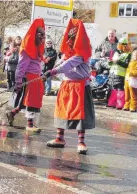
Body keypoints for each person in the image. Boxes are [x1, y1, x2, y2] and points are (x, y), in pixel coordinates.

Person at [43, 19, 95, 154]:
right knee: (62, 111)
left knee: (80, 114)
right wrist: (49, 72)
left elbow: (69, 64)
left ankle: (81, 142)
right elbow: (62, 63)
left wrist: (53, 71)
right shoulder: (68, 52)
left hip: (80, 86)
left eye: (73, 38)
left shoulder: (84, 50)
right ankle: (59, 138)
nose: (69, 41)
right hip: (67, 85)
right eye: (69, 38)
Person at [5, 18, 46, 133]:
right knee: (29, 102)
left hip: (36, 78)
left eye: (43, 35)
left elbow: (38, 64)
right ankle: (29, 125)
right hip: (28, 78)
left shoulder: (38, 48)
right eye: (40, 35)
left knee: (25, 101)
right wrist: (18, 81)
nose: (42, 38)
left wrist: (41, 74)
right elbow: (21, 66)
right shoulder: (28, 48)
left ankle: (12, 113)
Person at [107, 37, 131, 109]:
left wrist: (117, 61)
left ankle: (120, 104)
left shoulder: (128, 54)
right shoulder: (116, 52)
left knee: (120, 89)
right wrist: (110, 62)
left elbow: (126, 65)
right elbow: (112, 62)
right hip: (113, 73)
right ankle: (112, 103)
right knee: (113, 89)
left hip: (121, 74)